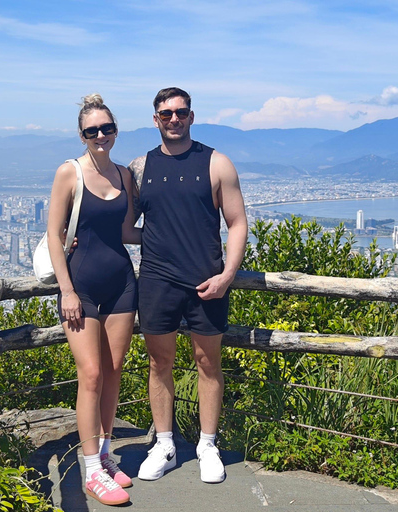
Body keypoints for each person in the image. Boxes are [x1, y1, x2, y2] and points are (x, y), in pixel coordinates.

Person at [129, 87, 248, 484]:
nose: (174, 119)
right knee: (159, 363)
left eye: (180, 112)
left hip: (207, 280)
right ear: (156, 119)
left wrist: (228, 275)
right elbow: (128, 227)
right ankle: (164, 443)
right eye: (166, 114)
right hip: (157, 280)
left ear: (192, 116)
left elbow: (236, 223)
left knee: (207, 363)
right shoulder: (139, 168)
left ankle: (207, 444)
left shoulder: (216, 163)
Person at [47, 94, 141, 506]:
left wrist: (179, 237)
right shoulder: (70, 172)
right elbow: (54, 234)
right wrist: (66, 290)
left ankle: (104, 454)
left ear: (116, 131)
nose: (101, 135)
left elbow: (126, 231)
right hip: (80, 286)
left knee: (114, 369)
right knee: (90, 375)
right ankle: (90, 471)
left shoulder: (124, 175)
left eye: (107, 128)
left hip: (121, 280)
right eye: (92, 130)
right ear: (81, 135)